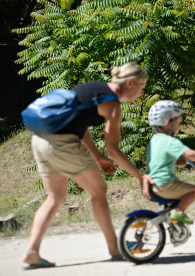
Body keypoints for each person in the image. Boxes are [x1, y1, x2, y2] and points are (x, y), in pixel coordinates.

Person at [22, 62, 154, 269]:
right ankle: (115, 248)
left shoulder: (94, 87)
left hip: (40, 140)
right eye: (142, 86)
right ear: (130, 83)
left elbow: (80, 126)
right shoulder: (112, 105)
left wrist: (98, 158)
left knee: (55, 197)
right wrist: (140, 176)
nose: (142, 92)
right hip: (63, 144)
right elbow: (114, 150)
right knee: (99, 191)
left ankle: (32, 252)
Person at [147, 100, 195, 224]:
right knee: (194, 191)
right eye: (178, 123)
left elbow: (163, 160)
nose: (179, 126)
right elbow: (189, 153)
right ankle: (178, 212)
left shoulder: (154, 140)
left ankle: (173, 222)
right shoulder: (169, 140)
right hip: (165, 185)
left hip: (152, 185)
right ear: (170, 124)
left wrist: (182, 162)